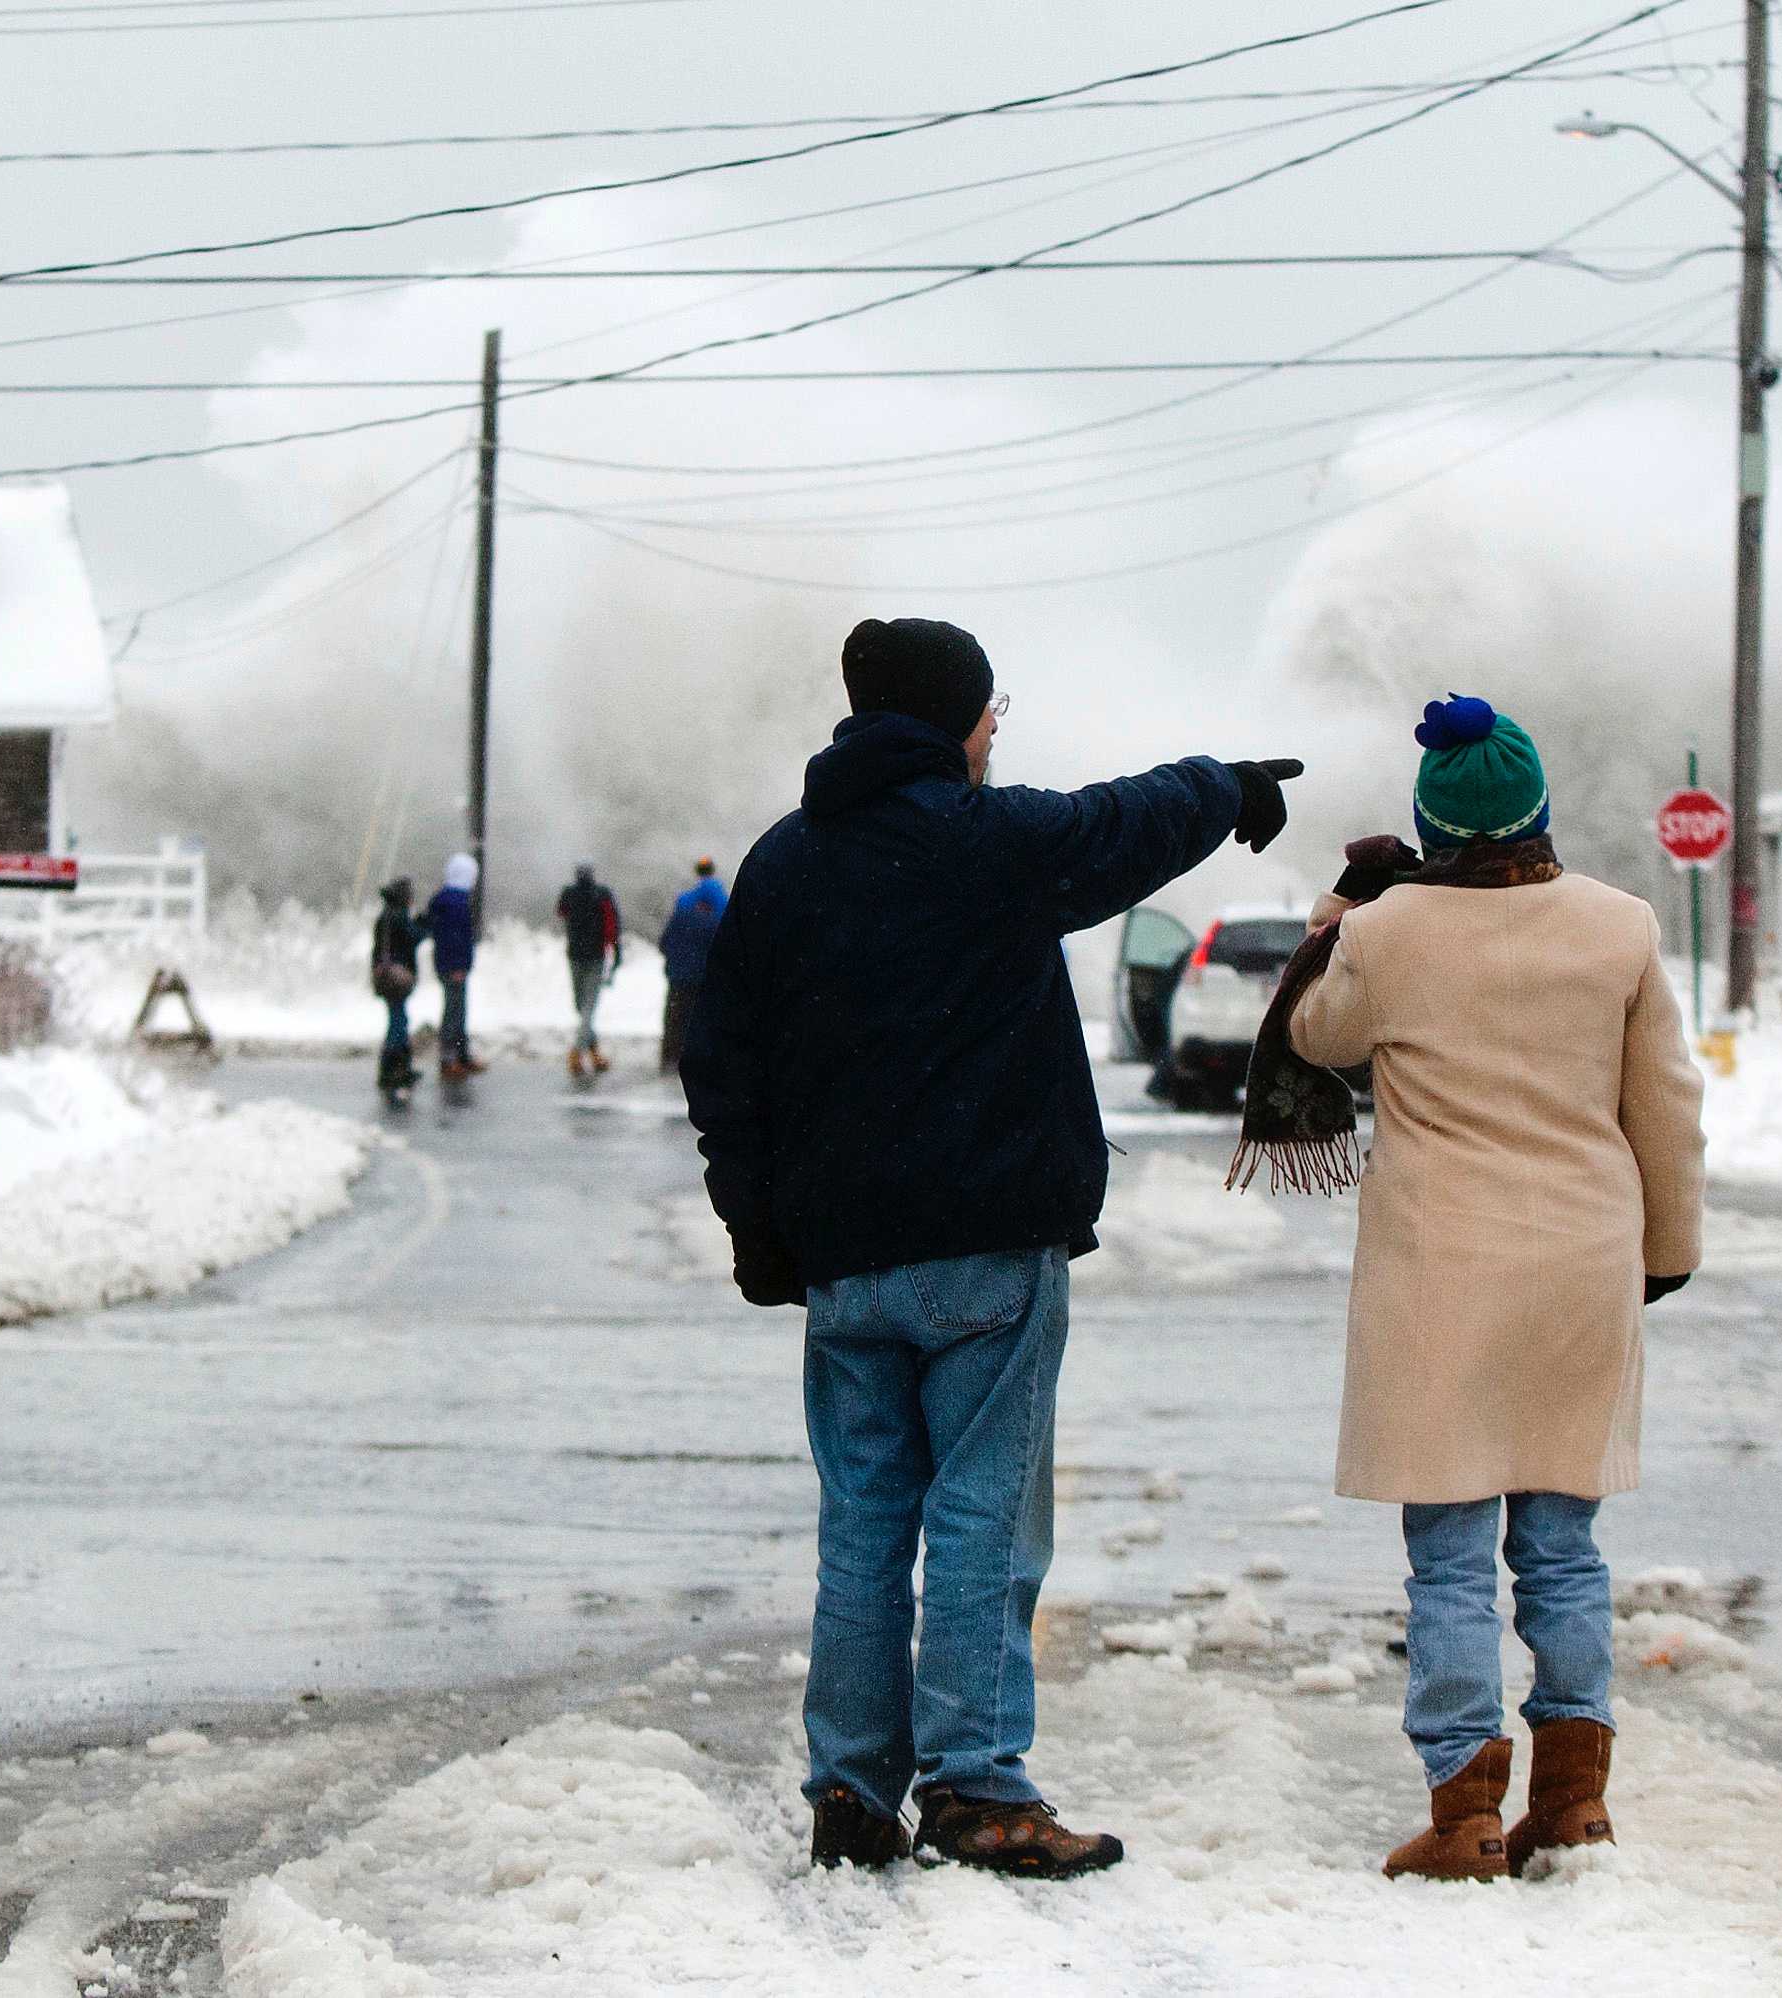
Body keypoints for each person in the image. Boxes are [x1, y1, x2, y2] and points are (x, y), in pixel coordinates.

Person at [682, 614, 1302, 1880]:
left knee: (863, 1523)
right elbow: (1122, 823)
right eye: (988, 710)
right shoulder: (991, 843)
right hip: (986, 1252)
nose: (994, 731)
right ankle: (975, 1787)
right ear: (950, 718)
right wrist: (1228, 787)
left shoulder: (786, 863)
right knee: (981, 1517)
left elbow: (722, 1059)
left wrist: (755, 1221)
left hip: (846, 1264)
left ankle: (851, 1793)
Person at [1246, 693, 1704, 1883]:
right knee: (1563, 1549)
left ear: (1430, 826)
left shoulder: (1392, 936)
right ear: (1540, 808)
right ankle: (1578, 1803)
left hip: (1441, 1274)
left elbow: (1313, 1032)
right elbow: (1667, 1104)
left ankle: (1465, 1816)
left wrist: (1345, 906)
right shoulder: (1621, 927)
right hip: (1581, 1266)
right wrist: (1669, 1250)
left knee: (1448, 1558)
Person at [657, 857, 728, 1076]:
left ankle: (671, 1055)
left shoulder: (683, 907)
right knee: (704, 1016)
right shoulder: (721, 907)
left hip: (679, 973)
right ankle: (701, 1055)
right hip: (706, 975)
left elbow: (665, 941)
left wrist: (675, 958)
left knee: (675, 1015)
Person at [555, 863, 621, 1078]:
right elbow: (612, 925)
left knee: (582, 1006)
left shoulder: (569, 894)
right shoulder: (601, 895)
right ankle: (591, 1052)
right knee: (586, 1007)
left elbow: (560, 912)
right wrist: (615, 951)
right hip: (594, 956)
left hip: (576, 955)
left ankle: (579, 1051)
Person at [424, 853, 486, 1082]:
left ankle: (458, 1055)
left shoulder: (443, 899)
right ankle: (451, 1058)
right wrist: (460, 965)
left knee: (457, 1010)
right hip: (454, 965)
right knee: (454, 1012)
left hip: (446, 962)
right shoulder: (457, 902)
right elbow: (458, 937)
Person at [369, 878, 423, 1095]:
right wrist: (423, 924)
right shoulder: (399, 916)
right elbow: (413, 937)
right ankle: (394, 1069)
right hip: (395, 976)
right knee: (398, 1021)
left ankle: (396, 1068)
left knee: (397, 1018)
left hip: (384, 974)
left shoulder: (385, 916)